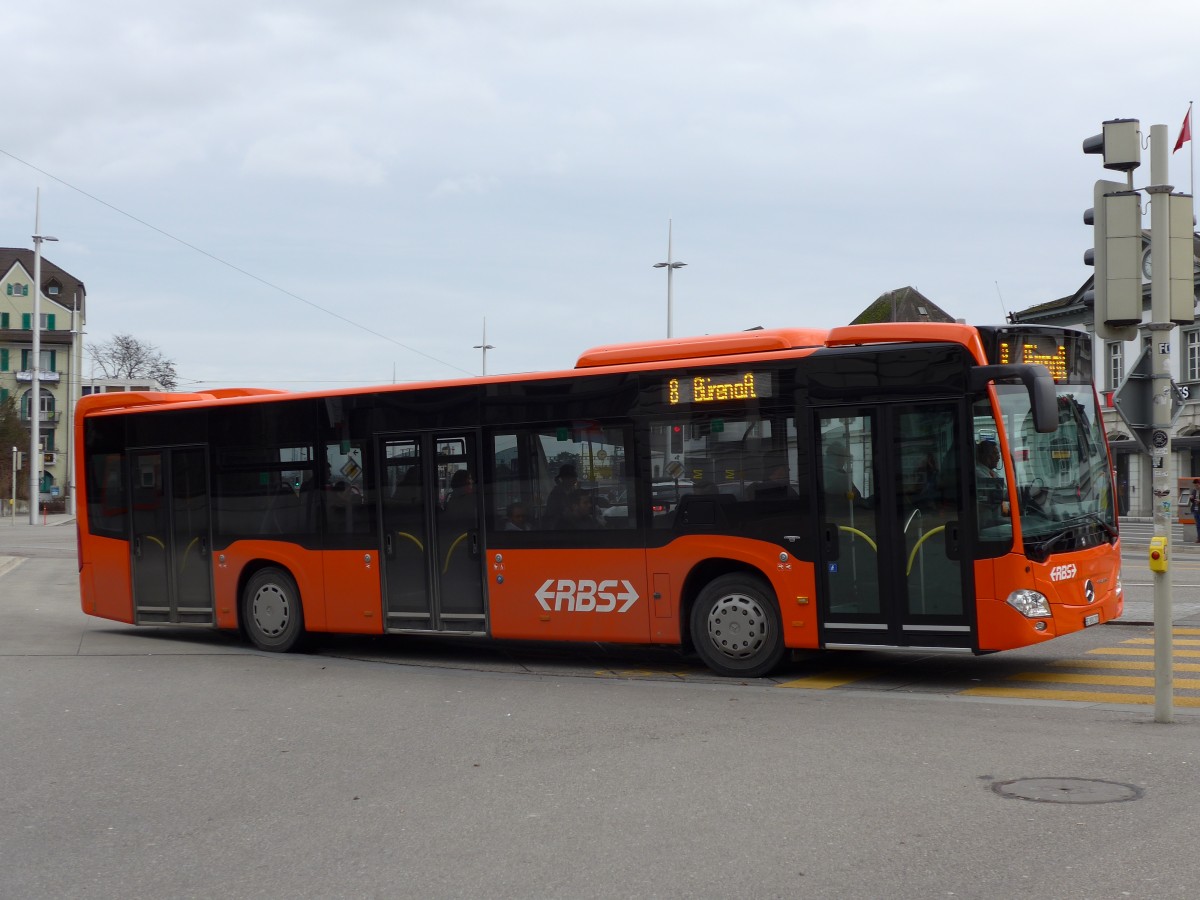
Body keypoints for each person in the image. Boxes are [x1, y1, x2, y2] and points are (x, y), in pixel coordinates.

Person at [1190, 480, 1200, 544]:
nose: (1195, 486)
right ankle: (1199, 538)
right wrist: (1191, 498)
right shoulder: (1194, 491)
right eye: (1194, 485)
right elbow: (1192, 501)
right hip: (1195, 510)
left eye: (1196, 485)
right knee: (1198, 525)